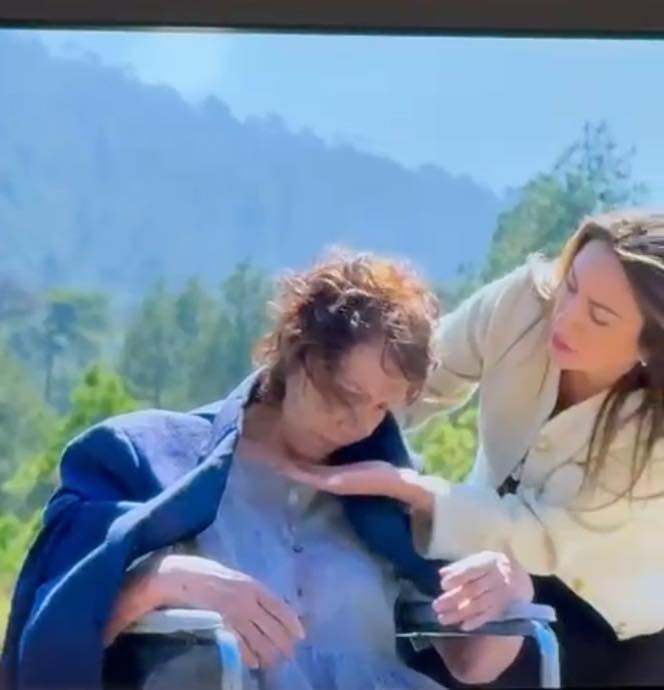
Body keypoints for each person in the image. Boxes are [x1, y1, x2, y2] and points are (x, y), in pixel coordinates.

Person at [1, 251, 532, 690]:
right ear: (297, 353)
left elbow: (473, 663)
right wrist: (159, 579)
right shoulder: (148, 459)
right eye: (345, 394)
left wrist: (511, 588)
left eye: (381, 407)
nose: (357, 423)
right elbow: (54, 632)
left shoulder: (388, 494)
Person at [288, 211, 664, 686]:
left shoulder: (655, 434)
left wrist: (416, 493)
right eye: (570, 286)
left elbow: (544, 537)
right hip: (489, 571)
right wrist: (325, 414)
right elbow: (415, 378)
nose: (566, 317)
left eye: (599, 316)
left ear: (650, 345)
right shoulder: (525, 303)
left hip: (614, 624)